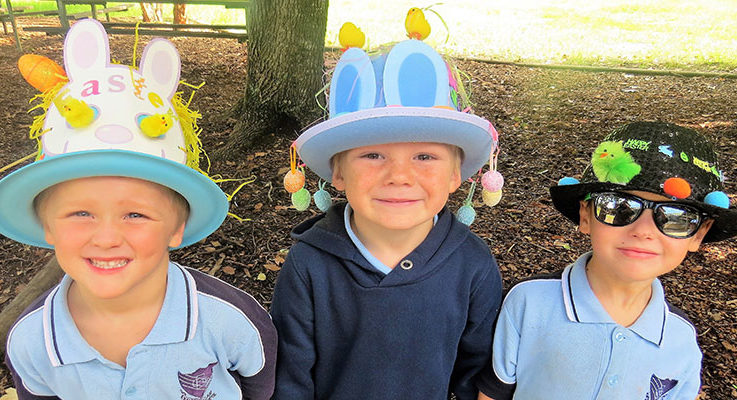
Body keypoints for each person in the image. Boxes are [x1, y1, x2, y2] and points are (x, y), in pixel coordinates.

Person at [1, 19, 276, 400]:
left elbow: (261, 385)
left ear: (177, 227)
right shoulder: (32, 342)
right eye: (81, 213)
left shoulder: (230, 320)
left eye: (135, 214)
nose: (107, 238)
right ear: (46, 224)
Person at [269, 29, 504, 400]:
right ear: (338, 173)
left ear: (455, 175)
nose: (399, 176)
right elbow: (290, 381)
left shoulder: (472, 264)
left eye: (424, 156)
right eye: (373, 155)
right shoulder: (308, 265)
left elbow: (479, 375)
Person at [476, 121, 737, 400]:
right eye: (619, 207)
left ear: (699, 234)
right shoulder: (528, 302)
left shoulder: (680, 341)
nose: (643, 231)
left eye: (676, 217)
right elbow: (493, 392)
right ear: (585, 215)